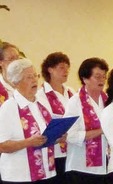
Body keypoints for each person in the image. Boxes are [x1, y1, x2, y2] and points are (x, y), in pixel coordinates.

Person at [0, 59, 60, 183]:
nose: (34, 80)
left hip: (47, 172)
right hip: (20, 176)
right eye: (28, 77)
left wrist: (57, 136)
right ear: (16, 82)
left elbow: (45, 135)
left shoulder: (41, 103)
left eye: (35, 76)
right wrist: (28, 142)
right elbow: (2, 146)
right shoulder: (9, 107)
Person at [64, 58, 109, 184]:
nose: (102, 80)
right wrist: (101, 131)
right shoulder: (75, 102)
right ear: (85, 78)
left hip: (106, 164)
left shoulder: (108, 100)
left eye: (104, 76)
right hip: (80, 166)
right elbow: (70, 136)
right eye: (97, 76)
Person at [35, 52, 75, 183]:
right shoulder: (41, 95)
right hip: (55, 151)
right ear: (50, 69)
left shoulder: (71, 92)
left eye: (67, 67)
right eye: (61, 67)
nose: (66, 71)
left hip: (73, 148)